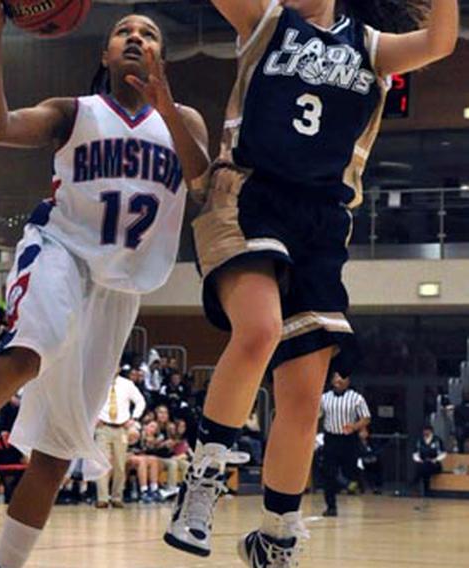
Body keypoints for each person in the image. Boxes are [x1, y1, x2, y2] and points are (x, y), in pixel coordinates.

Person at [0, 6, 209, 568]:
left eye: (147, 33)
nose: (134, 37)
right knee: (37, 343)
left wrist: (165, 100)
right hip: (60, 252)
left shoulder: (185, 122)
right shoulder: (74, 111)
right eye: (122, 31)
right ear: (104, 55)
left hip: (119, 290)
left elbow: (200, 181)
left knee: (55, 454)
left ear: (162, 56)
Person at [165, 0, 458, 565]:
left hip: (323, 221)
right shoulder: (267, 20)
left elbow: (441, 40)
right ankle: (200, 485)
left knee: (302, 396)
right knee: (258, 330)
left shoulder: (371, 46)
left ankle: (276, 537)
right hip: (252, 195)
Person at [318, 372, 370, 516]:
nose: (339, 380)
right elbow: (318, 415)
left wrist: (354, 427)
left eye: (342, 377)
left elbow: (366, 418)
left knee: (350, 470)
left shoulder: (356, 398)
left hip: (349, 439)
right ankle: (331, 507)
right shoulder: (324, 398)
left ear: (348, 381)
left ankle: (353, 484)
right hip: (331, 438)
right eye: (336, 377)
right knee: (328, 473)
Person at [95, 370, 146, 508]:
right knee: (101, 463)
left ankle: (117, 497)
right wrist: (93, 417)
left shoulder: (127, 384)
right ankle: (102, 498)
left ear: (119, 368)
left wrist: (134, 418)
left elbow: (140, 401)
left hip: (122, 428)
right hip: (103, 427)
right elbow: (87, 400)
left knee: (119, 465)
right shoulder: (98, 381)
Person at [412, 425, 446, 496]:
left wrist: (435, 459)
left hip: (435, 464)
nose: (425, 432)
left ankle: (414, 483)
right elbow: (415, 453)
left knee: (424, 467)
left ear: (431, 431)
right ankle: (427, 491)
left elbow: (443, 453)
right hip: (423, 463)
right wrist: (419, 460)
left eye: (427, 430)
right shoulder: (419, 440)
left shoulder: (437, 440)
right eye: (424, 430)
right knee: (424, 467)